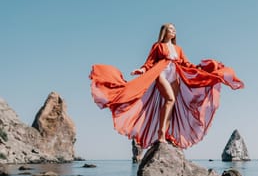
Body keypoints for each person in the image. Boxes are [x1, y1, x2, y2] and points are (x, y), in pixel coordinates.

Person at [89, 23, 244, 149]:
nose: (173, 31)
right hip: (161, 73)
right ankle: (161, 133)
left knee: (171, 104)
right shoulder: (158, 46)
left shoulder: (178, 49)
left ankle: (167, 134)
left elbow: (185, 63)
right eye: (170, 29)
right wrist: (142, 69)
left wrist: (199, 69)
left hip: (175, 74)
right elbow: (150, 62)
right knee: (169, 99)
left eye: (174, 29)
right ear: (164, 32)